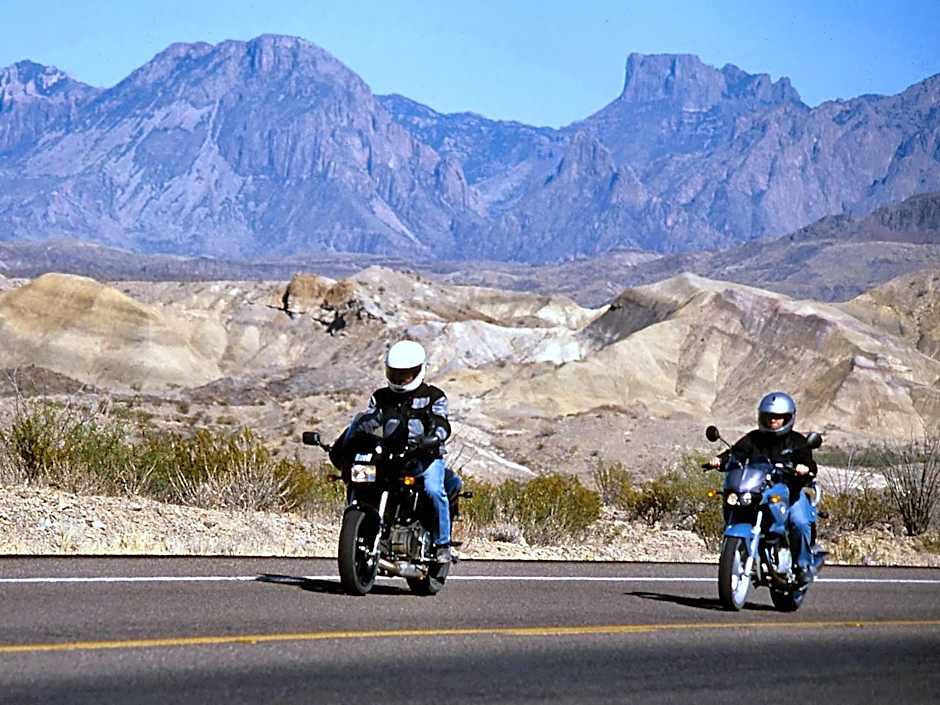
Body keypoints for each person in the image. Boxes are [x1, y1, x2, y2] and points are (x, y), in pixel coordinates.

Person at [340, 340, 462, 563]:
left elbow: (440, 421)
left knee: (434, 490)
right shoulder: (381, 396)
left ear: (419, 371)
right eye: (395, 373)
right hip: (389, 456)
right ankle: (365, 531)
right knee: (361, 480)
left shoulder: (433, 396)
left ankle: (442, 543)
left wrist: (434, 437)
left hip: (424, 456)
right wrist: (350, 439)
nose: (399, 379)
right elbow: (369, 419)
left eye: (405, 374)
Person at [707, 391, 821, 585]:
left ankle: (803, 566)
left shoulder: (797, 441)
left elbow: (808, 462)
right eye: (769, 416)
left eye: (777, 417)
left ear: (788, 418)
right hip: (759, 491)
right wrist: (720, 460)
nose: (772, 421)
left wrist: (804, 468)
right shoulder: (754, 438)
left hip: (789, 492)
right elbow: (737, 453)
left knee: (800, 522)